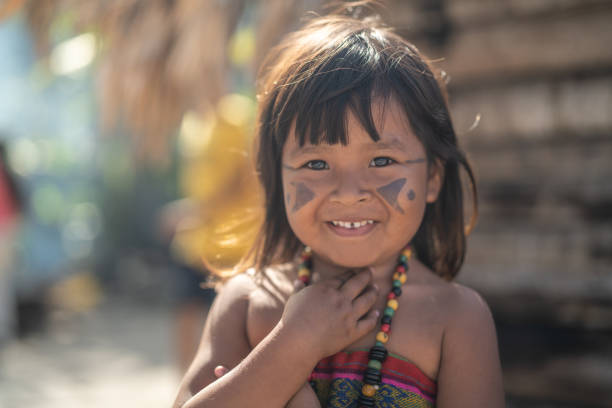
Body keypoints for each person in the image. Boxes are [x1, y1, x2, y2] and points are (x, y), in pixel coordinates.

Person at [173, 7, 504, 408]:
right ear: (278, 177)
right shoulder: (247, 302)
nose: (349, 192)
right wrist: (292, 345)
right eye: (316, 164)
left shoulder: (457, 319)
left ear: (433, 177)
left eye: (382, 161)